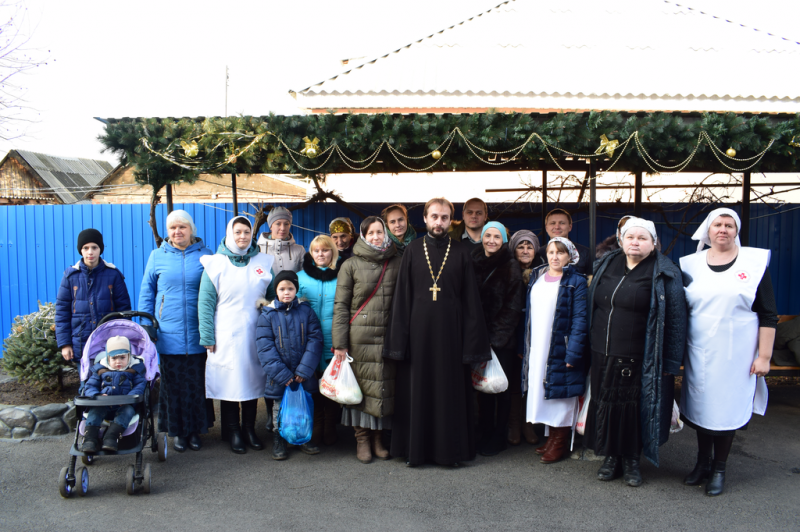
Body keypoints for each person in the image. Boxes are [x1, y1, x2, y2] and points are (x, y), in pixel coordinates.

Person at [385, 197, 491, 467]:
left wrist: (473, 345)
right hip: (418, 337)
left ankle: (449, 453)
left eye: (444, 218)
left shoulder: (460, 252)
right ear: (425, 219)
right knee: (417, 391)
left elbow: (471, 303)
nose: (439, 222)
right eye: (434, 217)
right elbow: (402, 298)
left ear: (450, 220)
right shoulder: (412, 250)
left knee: (449, 393)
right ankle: (416, 451)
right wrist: (400, 342)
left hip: (451, 337)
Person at [679, 208, 776, 496]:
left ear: (737, 230)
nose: (723, 229)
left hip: (738, 355)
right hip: (700, 352)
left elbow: (768, 315)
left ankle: (719, 468)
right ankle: (702, 464)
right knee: (700, 409)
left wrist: (765, 357)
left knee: (726, 412)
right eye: (717, 224)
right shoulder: (689, 265)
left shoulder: (755, 264)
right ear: (707, 231)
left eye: (729, 225)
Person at [584, 217, 687, 487]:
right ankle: (611, 457)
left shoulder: (665, 273)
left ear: (654, 244)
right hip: (601, 351)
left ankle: (631, 460)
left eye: (643, 238)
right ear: (621, 240)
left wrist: (672, 363)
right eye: (630, 237)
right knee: (605, 405)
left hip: (640, 355)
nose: (635, 242)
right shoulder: (606, 263)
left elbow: (676, 321)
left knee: (632, 410)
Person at [139, 210, 214, 453]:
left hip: (198, 331)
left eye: (182, 227)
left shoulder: (206, 255)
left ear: (191, 229)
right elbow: (146, 292)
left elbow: (216, 293)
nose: (177, 232)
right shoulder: (156, 256)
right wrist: (147, 325)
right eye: (172, 228)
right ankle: (178, 432)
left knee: (196, 384)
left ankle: (195, 431)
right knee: (173, 386)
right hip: (168, 332)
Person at [198, 216, 274, 454]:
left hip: (255, 333)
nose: (243, 237)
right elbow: (206, 303)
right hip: (225, 334)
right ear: (230, 234)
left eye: (246, 232)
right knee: (229, 384)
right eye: (238, 232)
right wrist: (207, 336)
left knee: (252, 382)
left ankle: (249, 429)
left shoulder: (264, 262)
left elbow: (271, 300)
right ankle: (232, 431)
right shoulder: (215, 263)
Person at [332, 216, 401, 463]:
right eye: (370, 233)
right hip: (358, 338)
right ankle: (362, 439)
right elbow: (340, 306)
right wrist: (340, 343)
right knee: (360, 388)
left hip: (388, 335)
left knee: (383, 386)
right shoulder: (350, 265)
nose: (375, 237)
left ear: (386, 234)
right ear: (362, 236)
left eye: (379, 232)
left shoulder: (397, 261)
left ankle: (378, 439)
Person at [521, 237, 588, 464]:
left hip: (561, 346)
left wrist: (574, 352)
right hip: (538, 345)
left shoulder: (576, 281)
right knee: (545, 391)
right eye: (551, 252)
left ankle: (559, 442)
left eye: (560, 253)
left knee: (561, 393)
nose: (555, 257)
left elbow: (580, 319)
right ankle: (551, 439)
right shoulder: (537, 276)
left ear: (570, 256)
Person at [256, 270, 324, 460]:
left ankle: (303, 437)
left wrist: (304, 370)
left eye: (290, 288)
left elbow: (315, 340)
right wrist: (283, 375)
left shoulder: (306, 311)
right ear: (276, 291)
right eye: (282, 289)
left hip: (303, 374)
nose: (286, 292)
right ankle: (279, 438)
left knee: (304, 407)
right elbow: (265, 348)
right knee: (280, 408)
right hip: (280, 377)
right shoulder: (267, 315)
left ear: (296, 290)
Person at [471, 222, 525, 456]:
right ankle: (483, 431)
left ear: (504, 240)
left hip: (500, 341)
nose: (491, 240)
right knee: (482, 387)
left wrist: (495, 338)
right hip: (477, 337)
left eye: (497, 236)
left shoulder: (510, 266)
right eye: (488, 235)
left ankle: (498, 436)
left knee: (500, 388)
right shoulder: (473, 262)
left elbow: (513, 307)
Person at [56, 228, 132, 362]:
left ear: (100, 249)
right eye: (85, 248)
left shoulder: (113, 275)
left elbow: (124, 311)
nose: (90, 252)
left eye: (94, 247)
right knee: (86, 382)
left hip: (109, 343)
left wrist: (123, 340)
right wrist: (65, 344)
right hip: (80, 344)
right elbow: (62, 312)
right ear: (80, 250)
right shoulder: (70, 277)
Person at [296, 234, 342, 446]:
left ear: (332, 251)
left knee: (332, 386)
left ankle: (331, 427)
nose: (320, 254)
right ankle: (316, 428)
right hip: (309, 343)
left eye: (325, 250)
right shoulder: (300, 277)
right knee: (312, 387)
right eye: (316, 251)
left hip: (335, 340)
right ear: (311, 253)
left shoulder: (342, 275)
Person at [79, 336, 146, 453]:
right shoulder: (100, 371)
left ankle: (111, 437)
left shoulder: (134, 371)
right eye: (114, 358)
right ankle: (90, 439)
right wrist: (97, 395)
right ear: (107, 358)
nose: (118, 361)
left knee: (127, 412)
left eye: (122, 357)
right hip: (103, 404)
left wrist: (128, 398)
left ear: (129, 356)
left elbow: (140, 387)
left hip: (125, 405)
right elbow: (89, 386)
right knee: (94, 411)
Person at [508, 229, 543, 446]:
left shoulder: (542, 271)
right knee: (514, 379)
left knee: (530, 379)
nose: (525, 250)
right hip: (512, 331)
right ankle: (512, 423)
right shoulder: (508, 270)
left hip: (535, 331)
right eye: (521, 246)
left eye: (529, 246)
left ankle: (527, 423)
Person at [536, 209, 591, 275]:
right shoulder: (539, 253)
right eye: (552, 223)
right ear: (546, 228)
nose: (557, 227)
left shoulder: (585, 254)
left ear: (570, 227)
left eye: (562, 223)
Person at [257, 206, 304, 274]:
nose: (282, 228)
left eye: (286, 224)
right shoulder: (258, 250)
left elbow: (304, 279)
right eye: (278, 224)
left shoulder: (299, 250)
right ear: (270, 226)